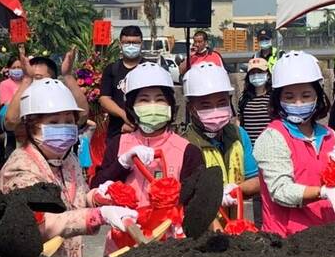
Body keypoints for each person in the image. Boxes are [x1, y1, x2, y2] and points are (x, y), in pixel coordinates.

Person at [0, 78, 137, 257]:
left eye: (69, 121)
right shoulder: (19, 168)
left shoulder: (68, 159)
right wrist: (96, 216)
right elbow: (38, 222)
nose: (63, 128)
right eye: (54, 122)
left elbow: (76, 200)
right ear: (31, 126)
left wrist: (97, 198)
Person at [252, 51, 335, 238]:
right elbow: (281, 191)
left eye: (306, 95)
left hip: (327, 235)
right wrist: (322, 192)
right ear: (278, 99)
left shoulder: (330, 135)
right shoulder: (273, 137)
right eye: (289, 97)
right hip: (287, 241)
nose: (298, 102)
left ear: (318, 96)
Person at [92, 62, 203, 209]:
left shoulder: (188, 151)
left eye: (160, 99)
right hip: (125, 229)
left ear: (170, 105)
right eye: (143, 100)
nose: (152, 105)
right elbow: (95, 187)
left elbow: (195, 202)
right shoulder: (118, 144)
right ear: (131, 107)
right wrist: (122, 164)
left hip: (170, 229)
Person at [182, 62, 260, 226]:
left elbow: (256, 181)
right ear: (191, 108)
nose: (215, 111)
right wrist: (214, 196)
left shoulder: (239, 135)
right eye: (206, 106)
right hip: (201, 229)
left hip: (237, 225)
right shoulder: (184, 144)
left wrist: (235, 190)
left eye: (221, 103)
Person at [3, 45, 90, 134]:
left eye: (38, 78)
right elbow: (11, 121)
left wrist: (68, 76)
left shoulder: (60, 104)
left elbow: (82, 116)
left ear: (53, 80)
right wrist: (27, 80)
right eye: (30, 78)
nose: (33, 82)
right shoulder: (16, 103)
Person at [99, 25, 147, 139]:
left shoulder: (149, 68)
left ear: (141, 44)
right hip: (116, 133)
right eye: (127, 42)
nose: (131, 46)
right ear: (121, 44)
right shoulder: (112, 69)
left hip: (145, 132)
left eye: (135, 43)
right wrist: (124, 115)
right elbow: (104, 99)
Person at [238, 57, 273, 144]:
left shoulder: (274, 98)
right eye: (253, 73)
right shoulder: (244, 99)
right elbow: (239, 122)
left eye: (260, 72)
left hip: (270, 147)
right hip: (250, 147)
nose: (256, 75)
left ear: (267, 74)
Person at [0, 55, 23, 157]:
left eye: (19, 67)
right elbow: (7, 102)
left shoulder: (28, 82)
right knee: (12, 148)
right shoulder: (5, 84)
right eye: (14, 67)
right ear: (8, 69)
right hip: (12, 121)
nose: (17, 70)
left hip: (26, 122)